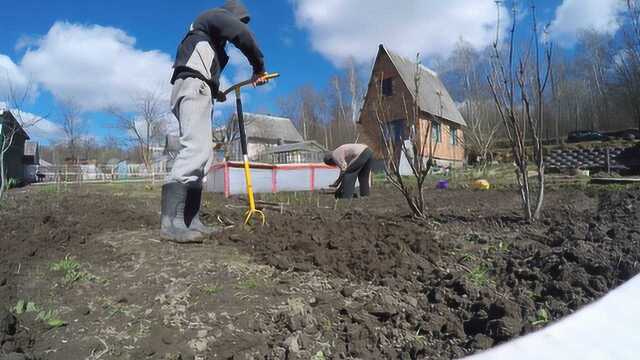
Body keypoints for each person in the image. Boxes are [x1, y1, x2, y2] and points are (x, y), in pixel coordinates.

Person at [161, 0, 269, 243]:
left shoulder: (210, 42)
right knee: (196, 150)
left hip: (200, 88)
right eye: (237, 21)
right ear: (230, 16)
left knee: (204, 157)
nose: (237, 27)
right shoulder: (213, 16)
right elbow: (242, 34)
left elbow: (207, 70)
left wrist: (217, 91)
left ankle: (191, 220)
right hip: (194, 85)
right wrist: (259, 67)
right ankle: (171, 223)